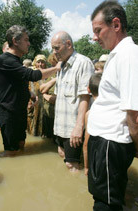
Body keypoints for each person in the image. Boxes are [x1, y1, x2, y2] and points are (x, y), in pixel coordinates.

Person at [87, 1, 138, 210]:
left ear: (116, 24)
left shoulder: (130, 55)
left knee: (106, 203)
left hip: (110, 143)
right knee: (107, 196)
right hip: (106, 142)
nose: (94, 37)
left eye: (98, 31)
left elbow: (137, 115)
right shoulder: (119, 55)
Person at [0, 25, 61, 156]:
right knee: (11, 153)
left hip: (20, 111)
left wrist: (29, 94)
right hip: (9, 114)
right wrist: (57, 68)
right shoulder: (4, 60)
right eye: (26, 39)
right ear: (15, 41)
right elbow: (31, 75)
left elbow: (16, 83)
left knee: (21, 145)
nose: (29, 43)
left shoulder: (16, 60)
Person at [51, 31, 94, 172]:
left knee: (72, 165)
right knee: (62, 154)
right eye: (52, 48)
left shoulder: (83, 63)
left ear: (68, 44)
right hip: (60, 126)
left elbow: (85, 97)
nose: (54, 52)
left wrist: (78, 127)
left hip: (73, 127)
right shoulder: (61, 66)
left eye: (56, 48)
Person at [83, 73, 102, 176]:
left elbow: (86, 144)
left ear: (88, 90)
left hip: (98, 155)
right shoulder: (118, 108)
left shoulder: (90, 114)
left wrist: (86, 167)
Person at [27, 54, 47, 136]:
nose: (40, 64)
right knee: (32, 126)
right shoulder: (30, 74)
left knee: (43, 123)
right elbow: (24, 88)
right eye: (38, 62)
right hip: (32, 103)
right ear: (35, 63)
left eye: (42, 62)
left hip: (44, 104)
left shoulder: (47, 74)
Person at [40, 53, 58, 139]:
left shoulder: (62, 76)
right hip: (47, 111)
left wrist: (44, 96)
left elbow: (56, 99)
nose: (53, 67)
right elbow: (42, 89)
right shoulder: (52, 74)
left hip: (56, 114)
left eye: (54, 64)